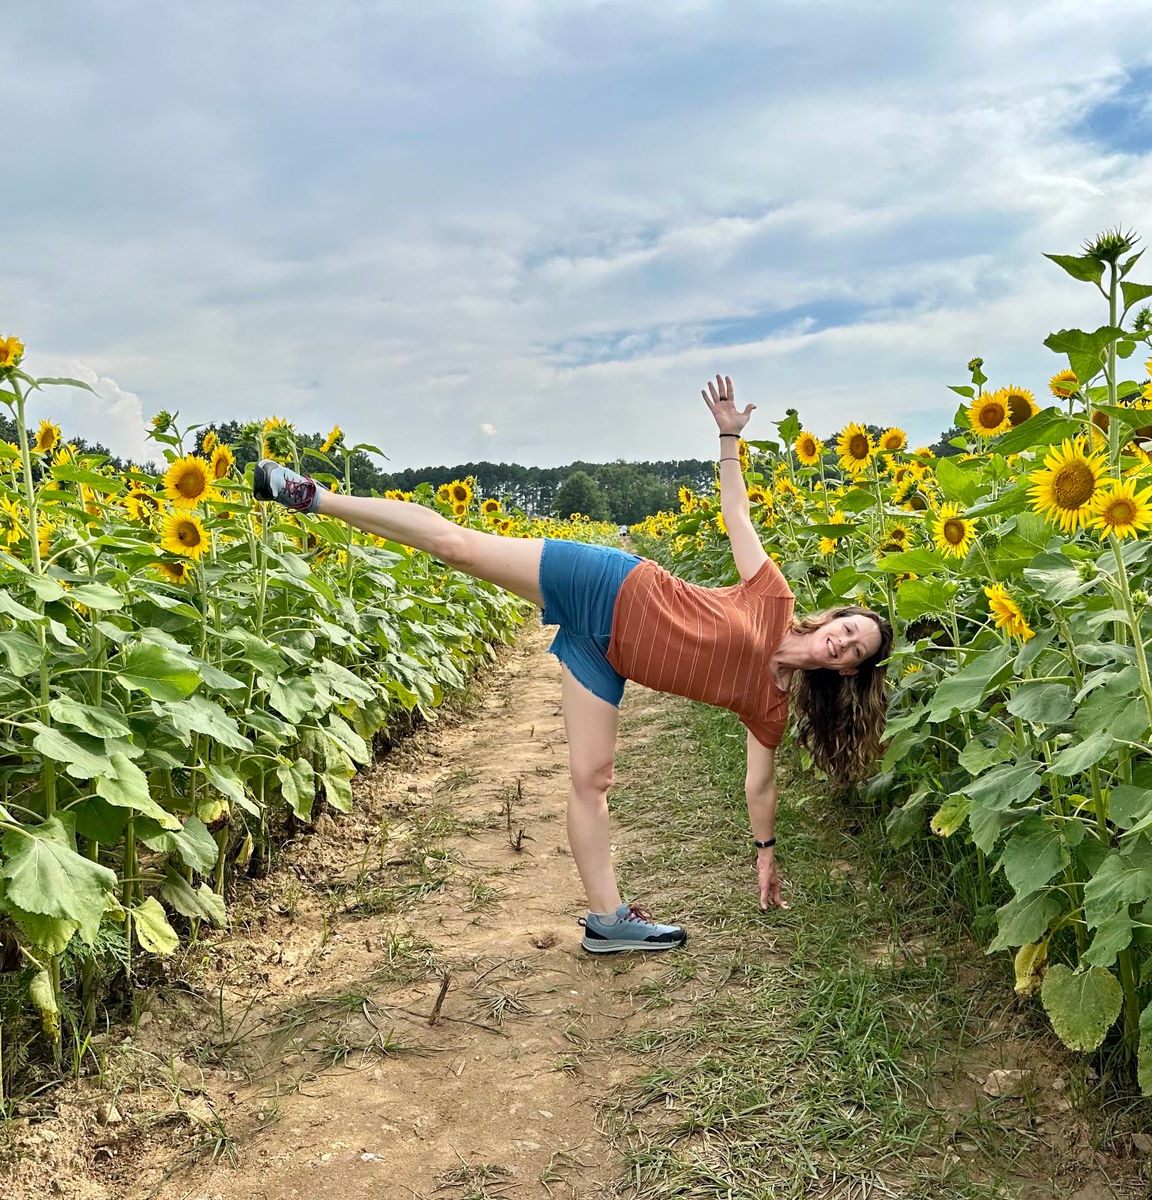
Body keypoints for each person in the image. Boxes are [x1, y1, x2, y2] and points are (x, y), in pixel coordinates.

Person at [253, 375, 892, 953]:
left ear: (847, 673)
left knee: (593, 777)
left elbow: (760, 786)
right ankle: (313, 496)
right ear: (833, 619)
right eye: (849, 628)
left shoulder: (770, 706)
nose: (844, 642)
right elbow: (736, 514)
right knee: (459, 547)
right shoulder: (773, 596)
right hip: (609, 584)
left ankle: (607, 920)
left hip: (604, 654)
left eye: (856, 650)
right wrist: (728, 437)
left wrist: (765, 856)